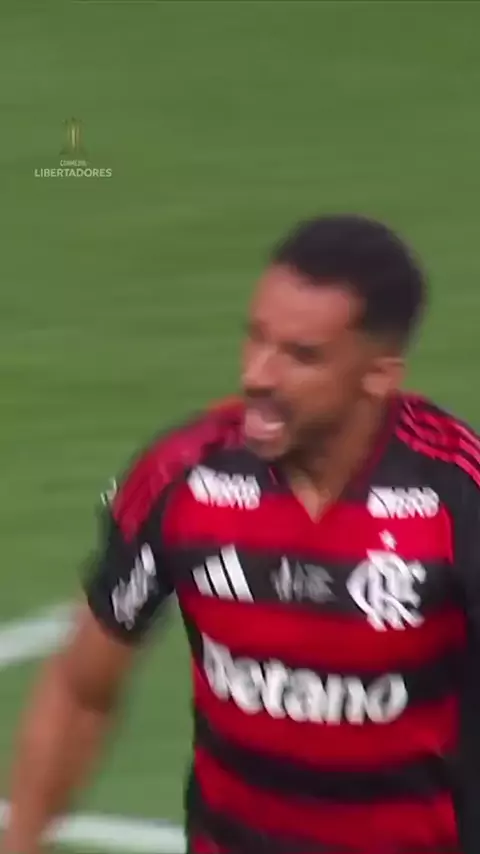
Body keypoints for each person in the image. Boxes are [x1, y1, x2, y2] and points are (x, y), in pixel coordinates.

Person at [4, 215, 480, 854]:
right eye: (256, 337)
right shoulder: (184, 477)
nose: (258, 375)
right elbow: (79, 688)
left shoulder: (456, 496)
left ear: (379, 375)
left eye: (301, 356)